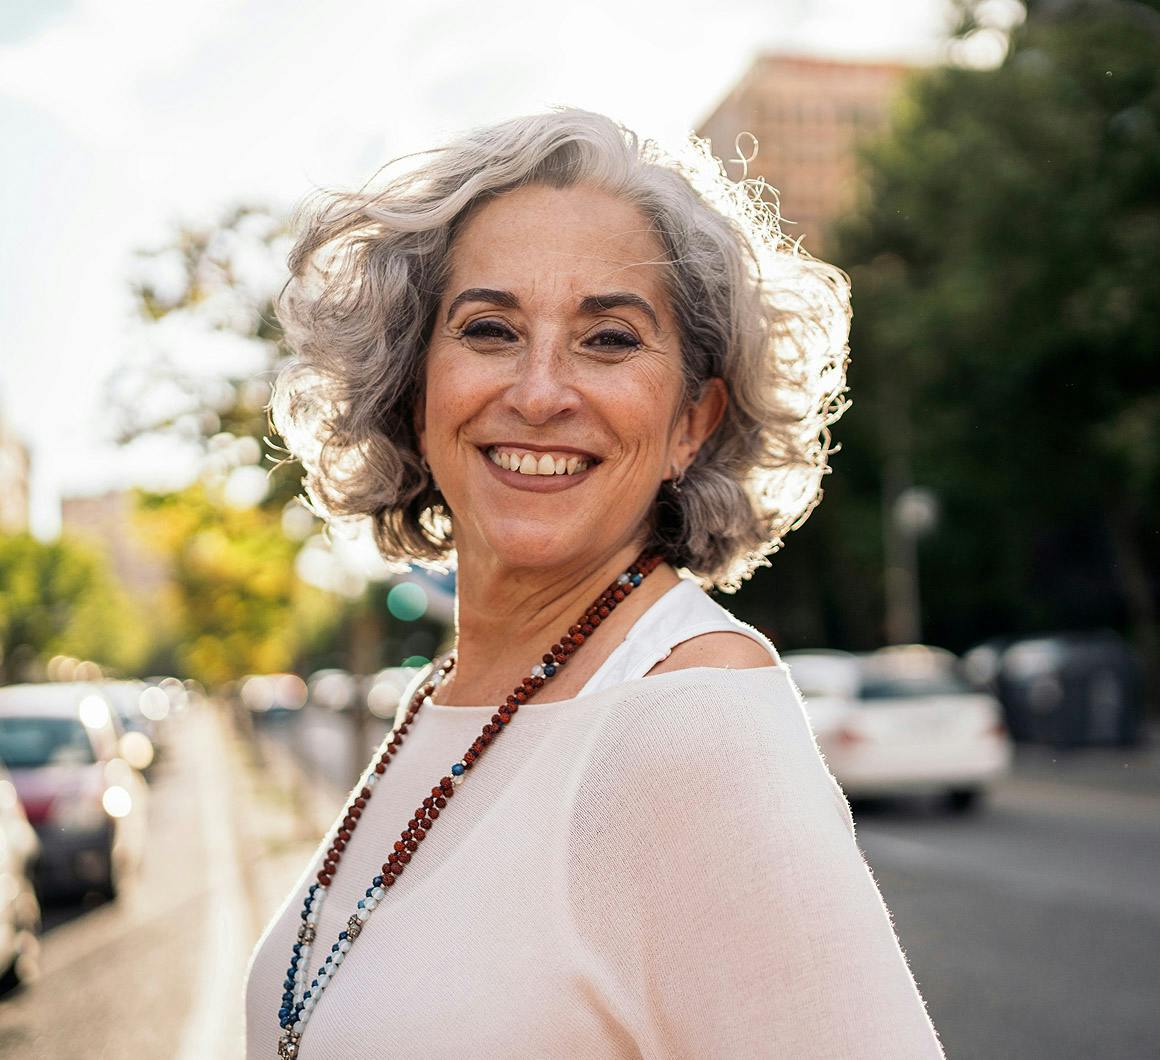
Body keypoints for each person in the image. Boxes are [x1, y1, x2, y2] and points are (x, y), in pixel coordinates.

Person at [244, 109, 943, 1059]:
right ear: (415, 392)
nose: (539, 393)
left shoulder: (694, 722)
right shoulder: (438, 699)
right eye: (490, 329)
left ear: (693, 420)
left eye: (609, 339)